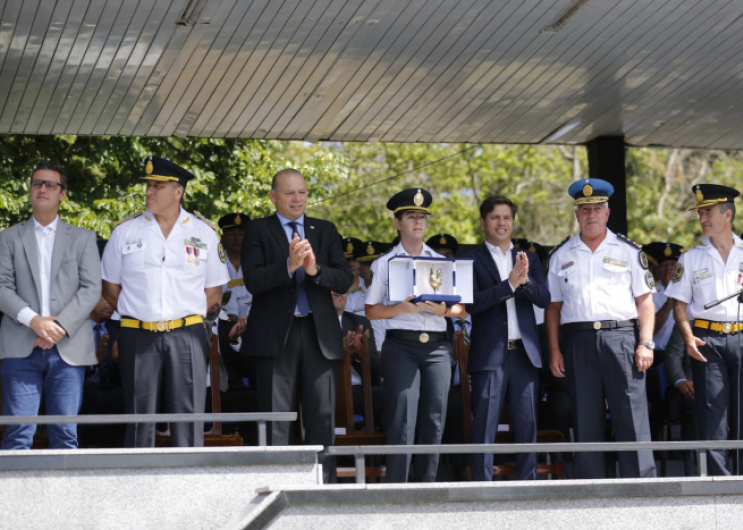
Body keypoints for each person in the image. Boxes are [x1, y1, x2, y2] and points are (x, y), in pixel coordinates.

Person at [101, 156, 229, 448]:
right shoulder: (125, 231)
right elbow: (110, 288)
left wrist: (198, 328)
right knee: (137, 420)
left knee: (188, 419)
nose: (149, 192)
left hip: (187, 334)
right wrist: (138, 312)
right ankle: (137, 484)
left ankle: (188, 484)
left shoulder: (204, 233)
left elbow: (214, 291)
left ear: (178, 191)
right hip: (137, 333)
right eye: (148, 186)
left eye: (157, 186)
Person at [241, 168, 352, 483]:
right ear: (273, 196)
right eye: (289, 193)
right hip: (277, 336)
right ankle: (281, 488)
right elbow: (253, 281)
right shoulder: (258, 230)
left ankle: (323, 488)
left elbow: (344, 278)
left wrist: (315, 270)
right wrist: (289, 265)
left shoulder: (324, 229)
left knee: (322, 419)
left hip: (320, 337)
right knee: (277, 420)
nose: (297, 198)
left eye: (302, 192)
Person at [546, 178, 656, 479]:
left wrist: (645, 343)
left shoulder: (629, 251)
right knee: (585, 417)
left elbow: (646, 302)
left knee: (631, 415)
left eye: (596, 209)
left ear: (607, 213)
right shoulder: (561, 255)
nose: (590, 214)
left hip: (621, 337)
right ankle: (590, 487)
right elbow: (553, 308)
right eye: (584, 209)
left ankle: (643, 486)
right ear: (576, 214)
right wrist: (555, 349)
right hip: (577, 340)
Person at [365, 188, 467, 483]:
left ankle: (427, 488)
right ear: (398, 222)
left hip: (436, 348)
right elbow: (371, 311)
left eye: (422, 217)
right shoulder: (384, 263)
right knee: (402, 421)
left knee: (434, 420)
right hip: (401, 345)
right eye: (411, 216)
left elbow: (463, 309)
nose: (418, 222)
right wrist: (401, 307)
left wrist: (445, 311)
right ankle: (397, 488)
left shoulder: (440, 260)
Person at [0, 161, 101, 449]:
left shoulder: (83, 238)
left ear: (62, 194)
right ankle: (11, 497)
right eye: (37, 183)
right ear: (30, 190)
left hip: (67, 348)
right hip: (21, 345)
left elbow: (92, 288)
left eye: (50, 184)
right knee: (17, 434)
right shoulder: (7, 238)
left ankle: (65, 496)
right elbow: (1, 287)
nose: (42, 188)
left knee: (65, 435)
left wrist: (57, 325)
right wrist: (35, 321)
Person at [466, 195, 550, 480]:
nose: (501, 223)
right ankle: (482, 488)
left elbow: (544, 299)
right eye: (494, 217)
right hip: (490, 355)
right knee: (484, 426)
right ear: (482, 222)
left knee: (527, 426)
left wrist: (524, 282)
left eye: (506, 218)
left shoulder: (529, 258)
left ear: (513, 222)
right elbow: (471, 304)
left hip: (525, 355)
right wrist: (508, 285)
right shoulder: (469, 258)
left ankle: (528, 487)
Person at [665, 184, 743, 475]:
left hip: (742, 335)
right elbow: (679, 306)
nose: (703, 219)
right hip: (705, 340)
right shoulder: (691, 257)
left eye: (708, 212)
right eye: (700, 214)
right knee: (713, 418)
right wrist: (688, 338)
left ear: (728, 214)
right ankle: (721, 489)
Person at [332, 290, 385, 430]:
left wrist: (360, 353)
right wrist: (341, 347)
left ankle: (384, 450)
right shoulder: (311, 322)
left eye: (341, 289)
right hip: (326, 389)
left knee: (391, 397)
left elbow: (377, 367)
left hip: (358, 391)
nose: (337, 293)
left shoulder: (360, 322)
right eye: (331, 289)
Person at [218, 213, 252, 319]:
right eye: (231, 234)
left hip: (253, 324)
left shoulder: (256, 263)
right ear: (223, 238)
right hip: (222, 326)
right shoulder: (215, 264)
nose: (237, 238)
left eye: (241, 234)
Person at [341, 237, 367, 315]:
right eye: (347, 260)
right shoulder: (334, 291)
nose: (351, 264)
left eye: (355, 259)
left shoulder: (370, 289)